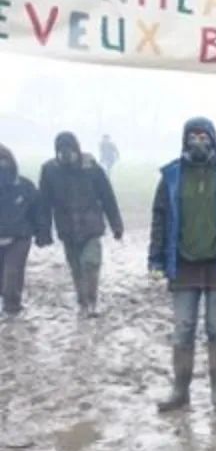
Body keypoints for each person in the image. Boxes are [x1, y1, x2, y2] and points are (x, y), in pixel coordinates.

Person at [149, 118, 216, 413]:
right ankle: (180, 390)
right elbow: (159, 217)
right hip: (183, 263)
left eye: (203, 136)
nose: (198, 141)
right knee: (183, 327)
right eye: (192, 136)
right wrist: (155, 258)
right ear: (184, 140)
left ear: (213, 139)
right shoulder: (171, 176)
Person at [38, 131, 125, 317]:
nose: (65, 154)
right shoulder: (49, 171)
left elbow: (107, 197)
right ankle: (82, 302)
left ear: (76, 149)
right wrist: (43, 231)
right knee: (76, 267)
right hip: (66, 228)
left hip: (91, 226)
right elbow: (43, 203)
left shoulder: (92, 168)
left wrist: (116, 224)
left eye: (68, 149)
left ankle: (92, 301)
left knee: (90, 263)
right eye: (60, 150)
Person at [0, 144, 47, 316]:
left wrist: (43, 233)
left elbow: (38, 211)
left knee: (12, 273)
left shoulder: (25, 186)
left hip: (19, 237)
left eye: (3, 163)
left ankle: (12, 307)